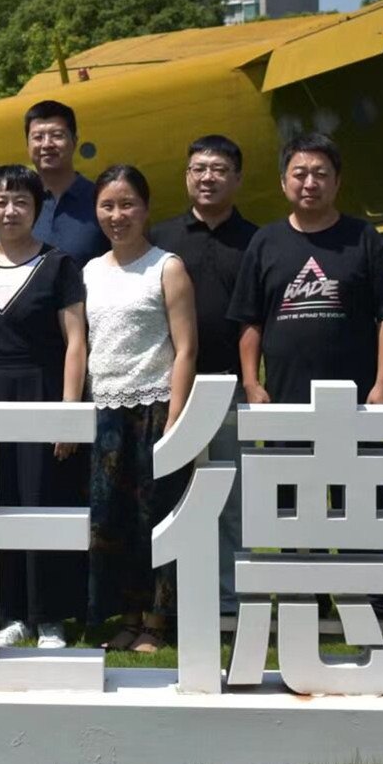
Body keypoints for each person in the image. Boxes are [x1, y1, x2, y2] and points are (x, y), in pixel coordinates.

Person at [0, 164, 88, 650]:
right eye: (1, 201)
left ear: (37, 209)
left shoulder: (59, 265)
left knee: (44, 500)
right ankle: (12, 612)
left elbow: (76, 342)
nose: (10, 211)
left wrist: (69, 412)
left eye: (21, 202)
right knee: (1, 501)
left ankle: (50, 616)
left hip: (43, 392)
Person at [84, 164, 196, 654]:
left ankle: (157, 621)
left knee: (157, 516)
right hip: (105, 410)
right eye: (107, 205)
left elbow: (186, 348)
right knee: (113, 520)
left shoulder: (166, 267)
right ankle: (126, 616)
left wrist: (176, 415)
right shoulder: (90, 271)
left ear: (146, 209)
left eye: (127, 204)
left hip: (156, 406)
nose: (118, 215)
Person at [149, 135, 257, 622]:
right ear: (186, 176)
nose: (207, 178)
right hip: (167, 388)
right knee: (170, 494)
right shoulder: (161, 239)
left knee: (230, 496)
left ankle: (229, 600)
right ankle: (169, 601)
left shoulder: (256, 240)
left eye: (218, 169)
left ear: (237, 178)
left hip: (231, 387)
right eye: (198, 169)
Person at [228, 133, 383, 408]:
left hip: (355, 398)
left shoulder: (364, 238)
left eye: (320, 174)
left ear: (337, 182)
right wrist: (251, 383)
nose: (310, 184)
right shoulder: (265, 242)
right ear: (283, 182)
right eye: (300, 174)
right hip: (284, 397)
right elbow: (250, 319)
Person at [18, 100, 110, 264]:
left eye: (57, 135)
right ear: (27, 145)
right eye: (38, 137)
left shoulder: (100, 199)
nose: (47, 144)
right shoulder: (15, 205)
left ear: (74, 141)